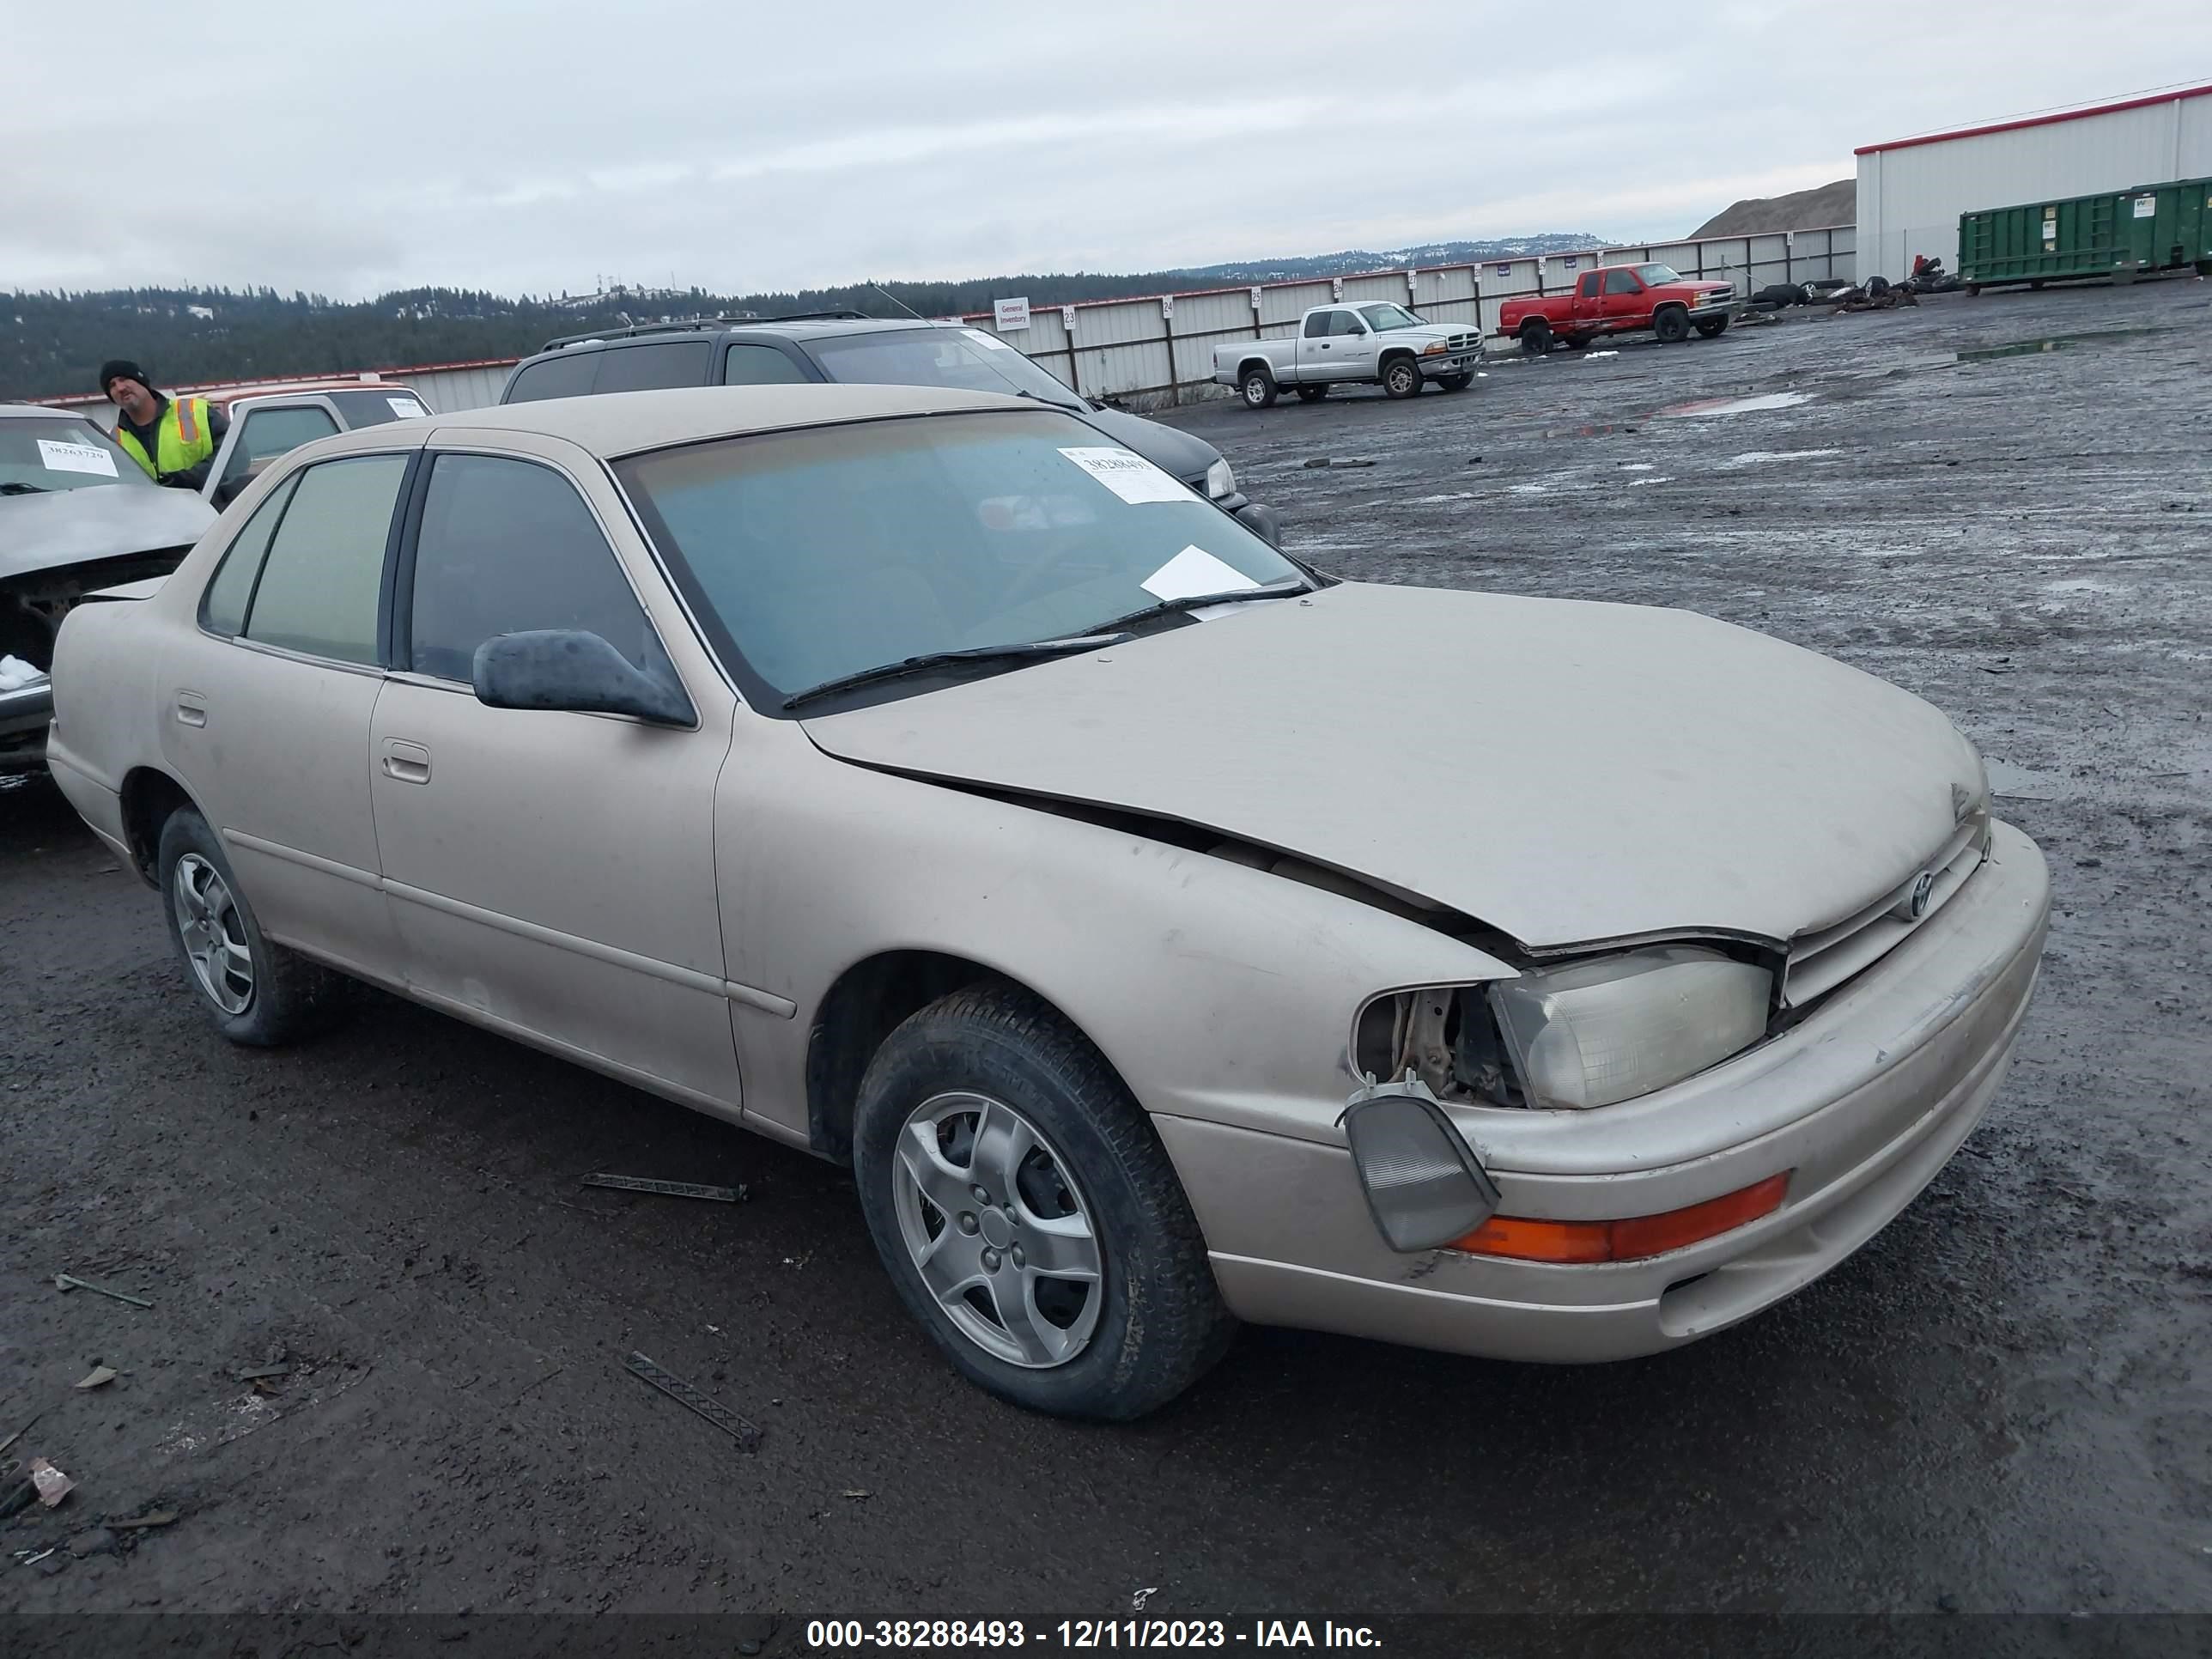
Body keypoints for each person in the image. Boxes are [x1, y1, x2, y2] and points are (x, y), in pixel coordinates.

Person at [98, 361, 228, 491]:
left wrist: (189, 479)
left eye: (124, 379)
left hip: (211, 505)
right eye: (112, 385)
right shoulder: (114, 440)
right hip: (156, 510)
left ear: (141, 381)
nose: (120, 388)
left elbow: (235, 455)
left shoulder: (196, 411)